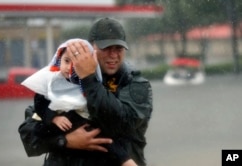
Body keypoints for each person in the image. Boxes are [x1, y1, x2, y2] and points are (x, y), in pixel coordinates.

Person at [18, 17, 153, 166]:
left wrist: (89, 79)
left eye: (118, 49)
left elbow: (121, 124)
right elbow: (29, 134)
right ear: (90, 48)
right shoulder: (66, 79)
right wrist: (65, 141)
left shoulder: (134, 83)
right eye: (106, 48)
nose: (113, 55)